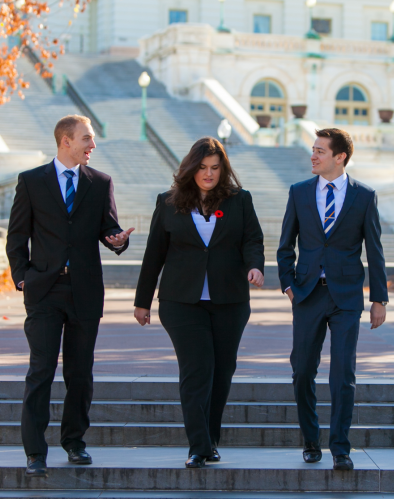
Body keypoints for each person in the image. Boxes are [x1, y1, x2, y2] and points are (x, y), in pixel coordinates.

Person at [6, 115, 134, 477]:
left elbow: (109, 227)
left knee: (80, 373)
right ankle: (34, 452)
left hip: (85, 292)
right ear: (66, 141)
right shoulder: (31, 181)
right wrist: (22, 279)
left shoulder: (100, 183)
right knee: (41, 370)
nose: (92, 146)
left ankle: (74, 443)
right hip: (44, 290)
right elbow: (16, 238)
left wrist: (118, 240)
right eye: (87, 139)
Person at [133, 137, 265, 469]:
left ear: (224, 169)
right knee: (197, 369)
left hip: (230, 300)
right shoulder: (168, 202)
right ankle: (197, 445)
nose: (209, 174)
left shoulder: (239, 200)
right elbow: (154, 255)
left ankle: (210, 439)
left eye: (215, 168)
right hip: (181, 301)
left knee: (222, 372)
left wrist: (255, 266)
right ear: (191, 168)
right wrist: (142, 301)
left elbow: (252, 238)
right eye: (203, 168)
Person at [277, 128, 388, 471]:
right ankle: (311, 440)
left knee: (343, 374)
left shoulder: (364, 196)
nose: (313, 156)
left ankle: (341, 447)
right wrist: (288, 286)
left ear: (339, 157)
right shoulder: (298, 192)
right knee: (302, 371)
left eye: (320, 151)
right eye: (313, 150)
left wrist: (379, 298)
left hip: (347, 297)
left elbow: (375, 250)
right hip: (308, 294)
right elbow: (285, 247)